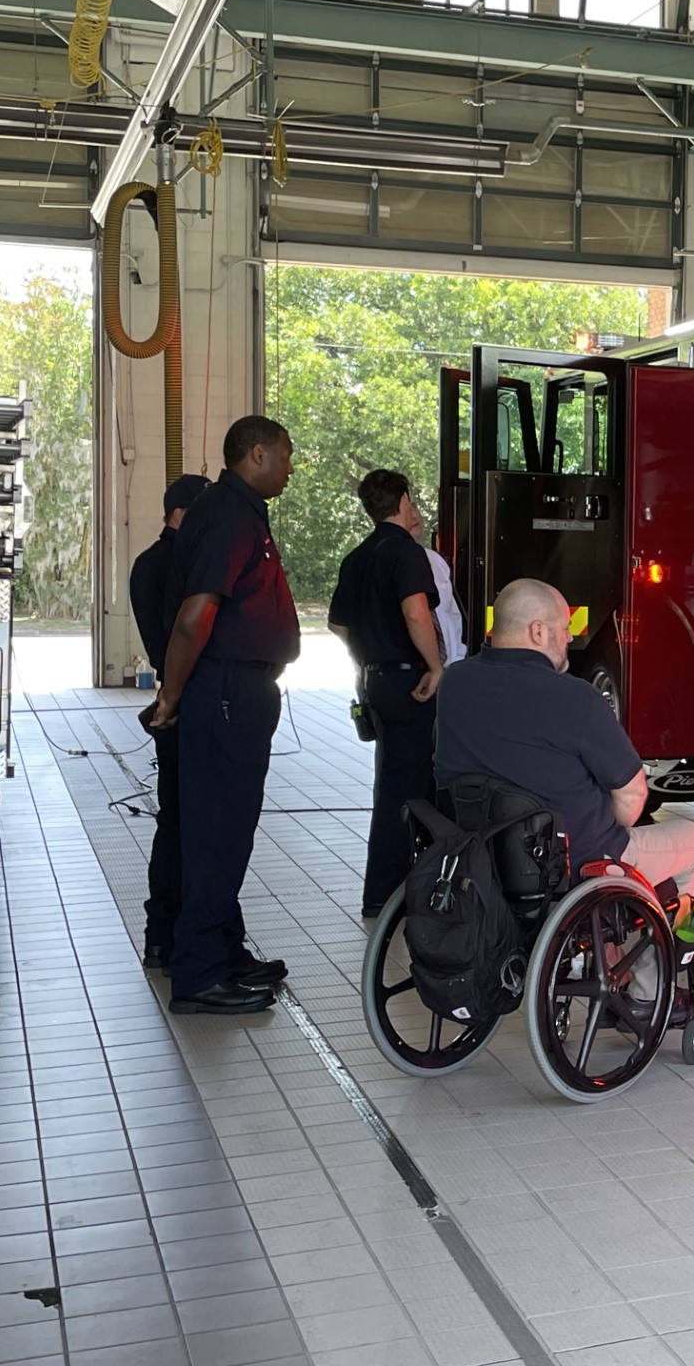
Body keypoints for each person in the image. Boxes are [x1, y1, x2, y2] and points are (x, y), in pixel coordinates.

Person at [152, 416, 300, 1016]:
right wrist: (171, 696)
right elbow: (196, 616)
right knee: (218, 832)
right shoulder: (229, 516)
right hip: (225, 693)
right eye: (286, 456)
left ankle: (221, 948)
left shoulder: (235, 511)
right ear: (257, 454)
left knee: (224, 830)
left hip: (235, 690)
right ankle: (199, 973)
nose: (291, 467)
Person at [435, 578, 694, 893]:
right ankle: (677, 939)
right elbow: (632, 794)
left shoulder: (453, 684)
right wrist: (610, 837)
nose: (570, 637)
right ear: (538, 631)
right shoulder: (576, 696)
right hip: (569, 865)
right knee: (693, 840)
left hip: (476, 859)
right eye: (565, 628)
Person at [328, 470, 444, 917]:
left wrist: (365, 658)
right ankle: (393, 892)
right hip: (410, 681)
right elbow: (417, 614)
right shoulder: (405, 553)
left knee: (394, 781)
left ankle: (391, 887)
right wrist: (435, 666)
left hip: (376, 679)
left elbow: (338, 624)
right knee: (412, 788)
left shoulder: (357, 556)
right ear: (401, 500)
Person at [127, 472, 210, 970]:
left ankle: (162, 931)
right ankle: (178, 929)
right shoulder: (179, 565)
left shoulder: (147, 565)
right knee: (193, 824)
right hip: (189, 701)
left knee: (174, 820)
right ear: (179, 515)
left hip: (174, 698)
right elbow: (181, 636)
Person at [419, 526, 466, 667]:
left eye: (414, 506)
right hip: (416, 667)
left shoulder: (435, 560)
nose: (413, 515)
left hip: (449, 665)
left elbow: (452, 614)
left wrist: (458, 657)